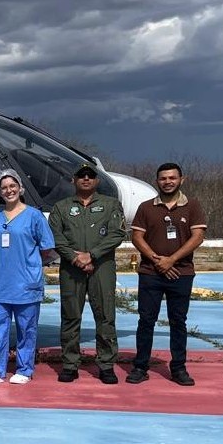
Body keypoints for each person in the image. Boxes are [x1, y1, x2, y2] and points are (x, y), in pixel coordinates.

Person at [128, 162, 207, 386]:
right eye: (163, 178)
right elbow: (137, 238)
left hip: (181, 273)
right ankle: (140, 366)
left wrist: (171, 260)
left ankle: (178, 368)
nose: (168, 182)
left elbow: (197, 237)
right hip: (150, 273)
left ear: (182, 180)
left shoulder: (192, 206)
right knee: (146, 321)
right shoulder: (145, 207)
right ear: (157, 181)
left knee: (178, 322)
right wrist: (157, 260)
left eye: (172, 178)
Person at [48, 163, 127, 384]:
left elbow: (117, 234)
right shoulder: (61, 207)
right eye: (81, 176)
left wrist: (91, 255)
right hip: (71, 268)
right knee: (71, 316)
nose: (85, 179)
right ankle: (70, 364)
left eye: (90, 176)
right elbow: (56, 237)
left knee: (105, 316)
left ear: (97, 181)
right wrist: (76, 258)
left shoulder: (111, 205)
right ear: (74, 180)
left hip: (102, 267)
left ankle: (106, 364)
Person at [0, 170, 55, 385]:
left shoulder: (34, 216)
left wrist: (29, 266)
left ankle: (24, 369)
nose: (8, 190)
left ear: (20, 188)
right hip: (0, 283)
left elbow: (46, 249)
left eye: (12, 186)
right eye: (4, 187)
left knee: (26, 328)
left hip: (25, 283)